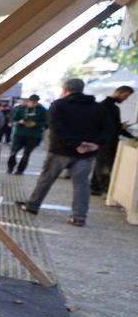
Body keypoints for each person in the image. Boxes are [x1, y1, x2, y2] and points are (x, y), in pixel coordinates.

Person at [15, 78, 108, 227]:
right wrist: (94, 144)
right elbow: (107, 129)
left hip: (60, 150)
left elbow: (56, 129)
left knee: (46, 179)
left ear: (65, 90)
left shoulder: (59, 105)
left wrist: (76, 143)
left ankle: (32, 206)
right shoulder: (98, 107)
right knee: (81, 185)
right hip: (86, 153)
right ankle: (79, 217)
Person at [90, 85, 134, 195]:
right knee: (105, 166)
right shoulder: (110, 107)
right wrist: (122, 128)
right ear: (118, 92)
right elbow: (112, 127)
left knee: (100, 165)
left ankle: (95, 188)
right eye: (125, 96)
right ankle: (105, 190)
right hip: (107, 143)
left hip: (103, 141)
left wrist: (124, 129)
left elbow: (112, 125)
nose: (125, 99)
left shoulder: (104, 105)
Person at [7, 94, 46, 174]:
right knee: (13, 151)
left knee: (26, 154)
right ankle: (10, 168)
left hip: (34, 135)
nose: (33, 103)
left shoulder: (42, 110)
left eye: (35, 102)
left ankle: (20, 170)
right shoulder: (21, 108)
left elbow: (46, 123)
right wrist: (19, 122)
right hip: (19, 134)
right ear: (29, 101)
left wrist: (36, 124)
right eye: (32, 101)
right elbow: (13, 119)